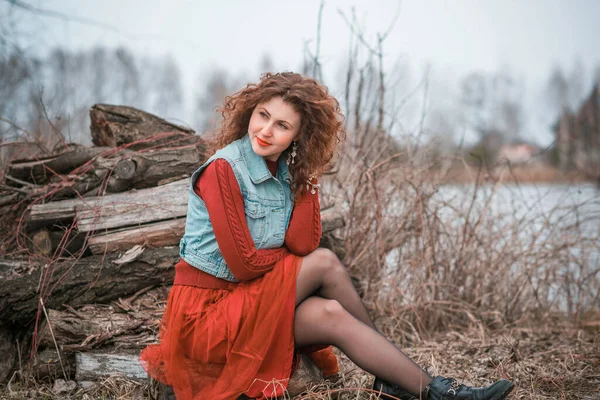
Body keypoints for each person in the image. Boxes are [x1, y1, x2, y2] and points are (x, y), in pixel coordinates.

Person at [140, 72, 515, 400]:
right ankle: (407, 382)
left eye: (283, 126)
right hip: (207, 316)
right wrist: (291, 265)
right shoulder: (223, 169)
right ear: (249, 113)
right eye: (263, 116)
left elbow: (302, 243)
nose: (266, 131)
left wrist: (309, 172)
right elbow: (244, 264)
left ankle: (417, 386)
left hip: (248, 303)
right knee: (323, 263)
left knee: (330, 312)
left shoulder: (285, 171)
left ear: (299, 136)